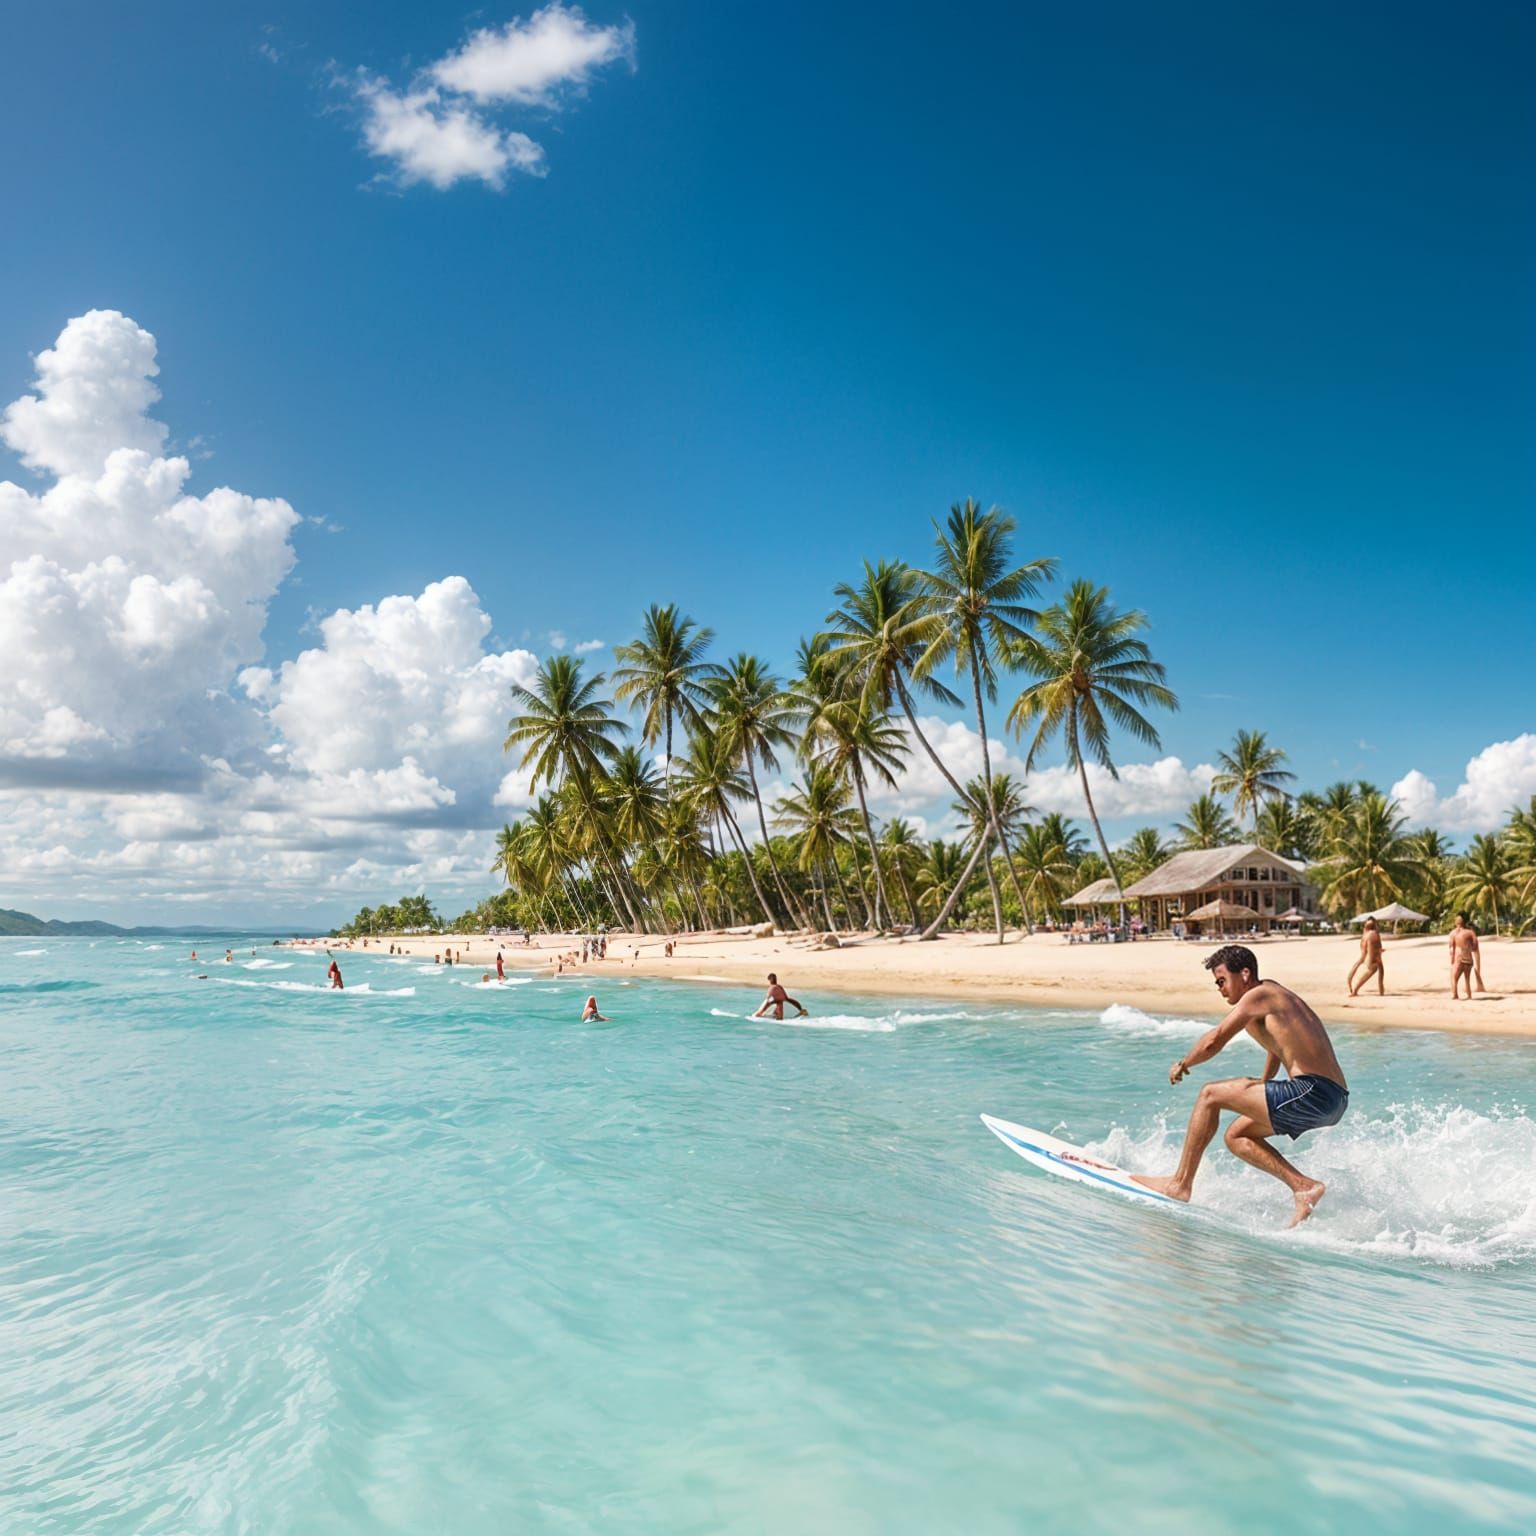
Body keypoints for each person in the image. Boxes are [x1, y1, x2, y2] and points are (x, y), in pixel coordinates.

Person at [1131, 945, 1348, 1228]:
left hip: (1313, 1092)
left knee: (1210, 1094)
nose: (1219, 989)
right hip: (1334, 1099)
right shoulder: (1272, 993)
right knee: (1237, 1136)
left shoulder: (1257, 996)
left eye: (1222, 980)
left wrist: (1184, 1064)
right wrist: (1265, 1082)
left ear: (1244, 974)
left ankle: (1179, 1184)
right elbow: (1277, 1046)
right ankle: (1303, 1187)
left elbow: (1215, 1040)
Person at [1348, 916, 1384, 996]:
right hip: (1373, 957)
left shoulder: (1365, 935)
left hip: (1366, 955)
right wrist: (1378, 954)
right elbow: (1376, 947)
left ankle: (1351, 985)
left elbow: (1365, 950)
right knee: (1376, 969)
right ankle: (1381, 992)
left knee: (1357, 964)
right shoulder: (1374, 934)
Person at [1450, 912, 1482, 1000]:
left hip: (1459, 958)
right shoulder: (1470, 932)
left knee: (1454, 977)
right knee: (1467, 979)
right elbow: (1475, 946)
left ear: (1456, 922)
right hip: (1468, 959)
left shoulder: (1453, 933)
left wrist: (1452, 960)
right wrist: (1469, 948)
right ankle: (1469, 995)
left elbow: (1451, 948)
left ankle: (1455, 994)